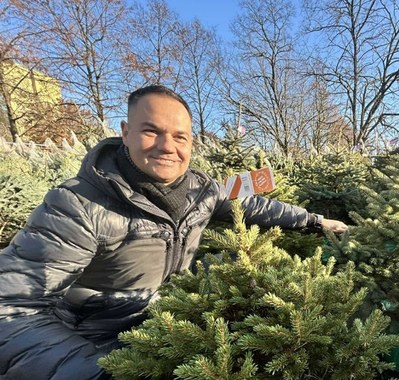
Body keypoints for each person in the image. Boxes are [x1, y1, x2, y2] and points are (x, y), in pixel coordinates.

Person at [0, 85, 348, 379]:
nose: (168, 146)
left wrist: (316, 221)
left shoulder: (202, 188)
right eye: (151, 131)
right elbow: (11, 307)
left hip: (169, 325)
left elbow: (254, 205)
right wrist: (98, 371)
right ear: (125, 131)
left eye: (179, 136)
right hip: (97, 342)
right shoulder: (77, 205)